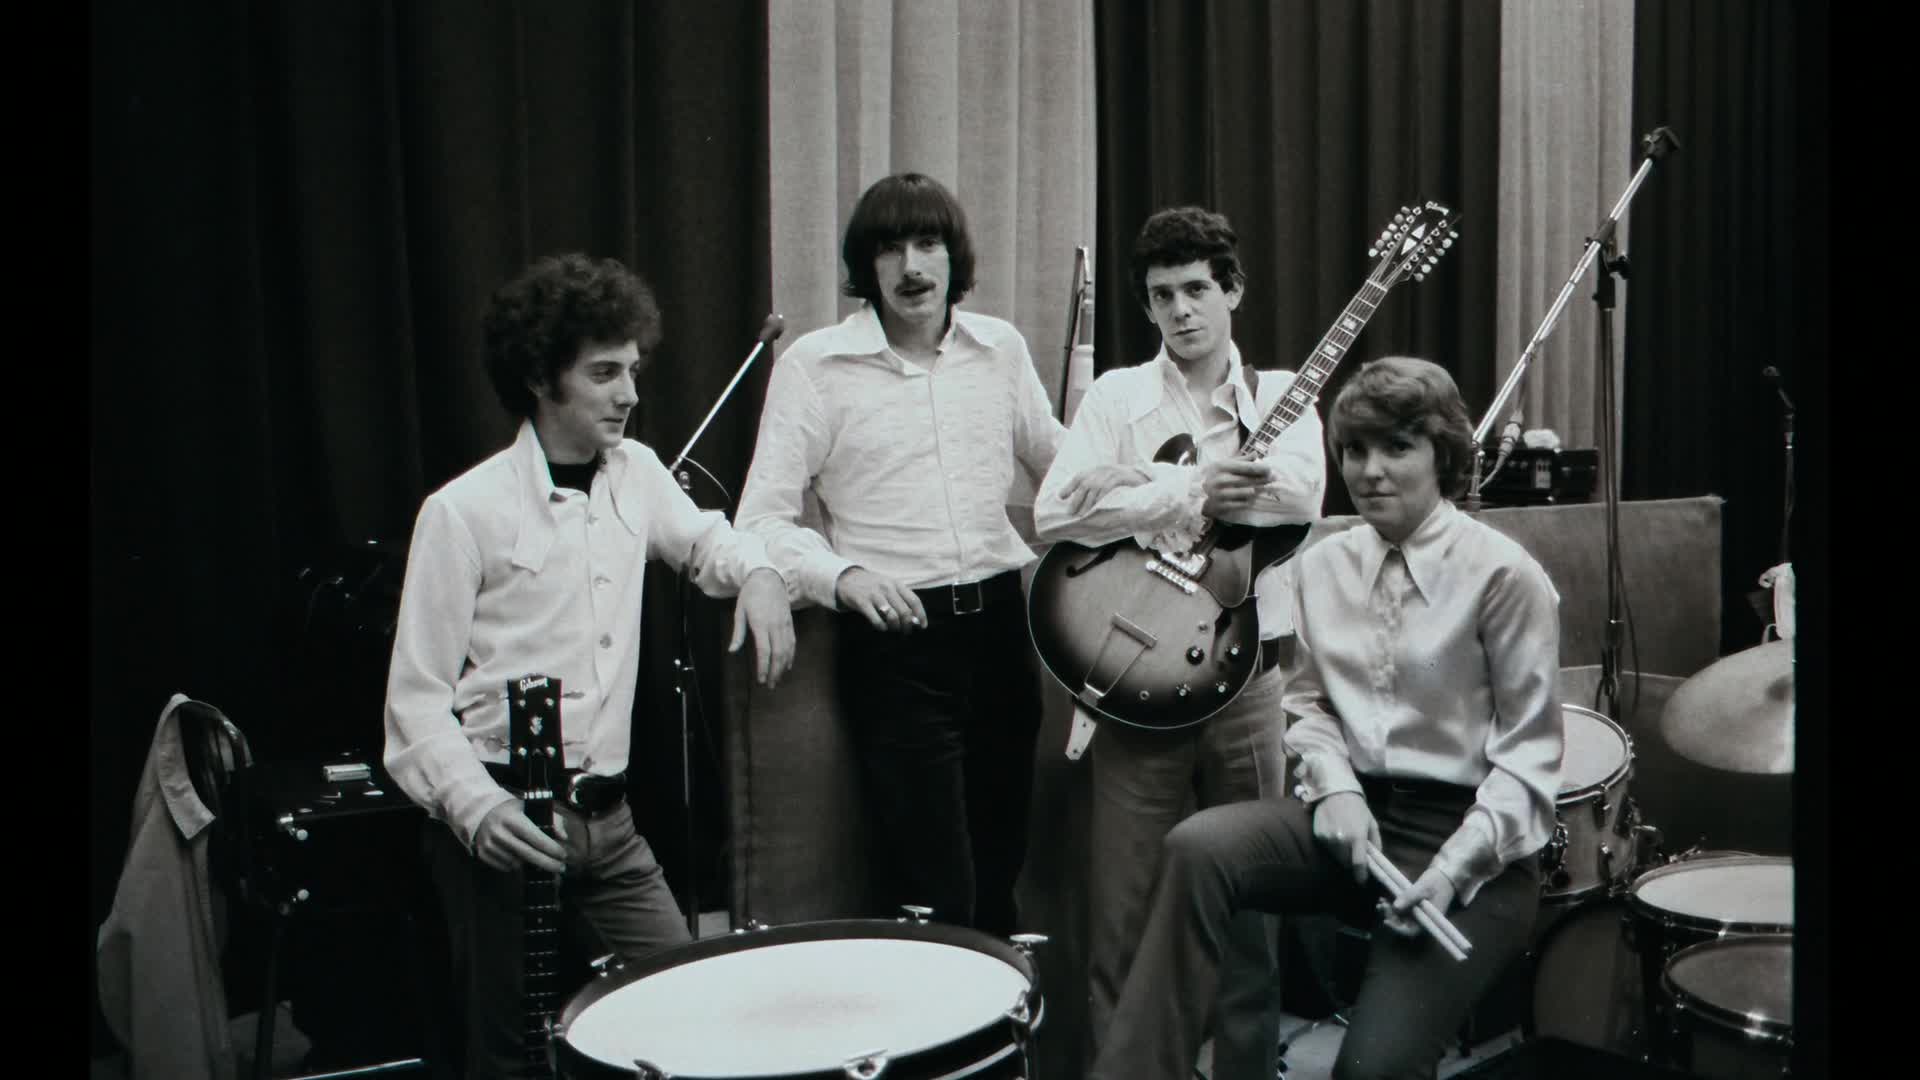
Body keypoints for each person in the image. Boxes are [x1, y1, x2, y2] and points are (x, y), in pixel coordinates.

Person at [1088, 354, 1563, 1080]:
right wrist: (1336, 787)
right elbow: (1309, 705)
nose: (1370, 471)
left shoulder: (1506, 576)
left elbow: (1529, 766)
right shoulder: (1322, 564)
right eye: (1355, 450)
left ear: (1443, 456)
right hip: (1352, 820)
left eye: (1396, 448)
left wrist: (1449, 872)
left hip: (1472, 849)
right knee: (1198, 847)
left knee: (1370, 1072)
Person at [383, 252, 795, 1079]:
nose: (629, 394)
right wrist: (477, 809)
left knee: (688, 1006)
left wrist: (757, 574)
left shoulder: (637, 474)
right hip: (503, 821)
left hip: (610, 825)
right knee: (508, 1057)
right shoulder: (461, 512)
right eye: (604, 373)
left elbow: (706, 542)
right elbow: (415, 704)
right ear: (541, 377)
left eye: (633, 370)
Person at [1033, 205, 1325, 1080]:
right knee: (1122, 914)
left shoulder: (1282, 395)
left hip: (1251, 683)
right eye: (1163, 295)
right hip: (1139, 682)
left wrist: (1129, 487)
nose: (1181, 310)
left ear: (1232, 290)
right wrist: (1188, 484)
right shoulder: (1117, 397)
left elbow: (1299, 499)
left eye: (1197, 289)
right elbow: (1054, 513)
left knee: (1250, 922)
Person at [736, 172, 1065, 935]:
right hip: (898, 647)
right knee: (937, 896)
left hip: (1003, 633)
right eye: (890, 249)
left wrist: (1166, 492)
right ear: (866, 265)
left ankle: (1003, 1018)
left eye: (927, 244)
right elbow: (760, 519)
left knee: (1000, 882)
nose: (912, 267)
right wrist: (840, 575)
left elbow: (1065, 469)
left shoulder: (1000, 349)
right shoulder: (815, 366)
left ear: (955, 256)